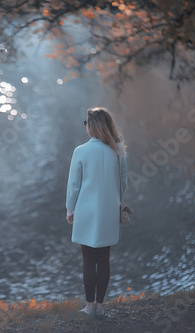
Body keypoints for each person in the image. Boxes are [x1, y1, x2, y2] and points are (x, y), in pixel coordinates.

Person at [65, 107, 127, 316]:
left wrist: (70, 209)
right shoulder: (118, 151)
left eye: (86, 123)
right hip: (109, 210)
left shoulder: (80, 151)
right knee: (105, 259)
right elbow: (123, 184)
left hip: (85, 211)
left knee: (88, 260)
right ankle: (100, 306)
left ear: (91, 126)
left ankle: (89, 306)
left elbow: (74, 185)